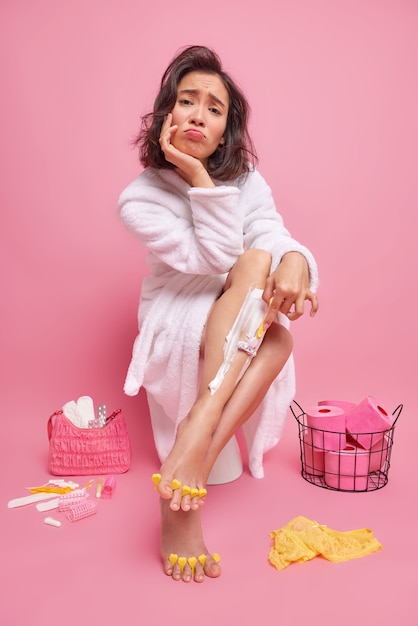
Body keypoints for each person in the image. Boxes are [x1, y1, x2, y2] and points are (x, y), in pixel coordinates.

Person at [118, 45, 319, 583]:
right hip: (177, 310)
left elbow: (271, 233)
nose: (199, 114)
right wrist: (197, 176)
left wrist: (296, 258)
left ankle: (192, 460)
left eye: (214, 108)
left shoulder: (247, 178)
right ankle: (199, 443)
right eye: (188, 101)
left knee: (279, 337)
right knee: (255, 269)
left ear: (227, 127)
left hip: (236, 306)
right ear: (167, 113)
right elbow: (217, 258)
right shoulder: (140, 197)